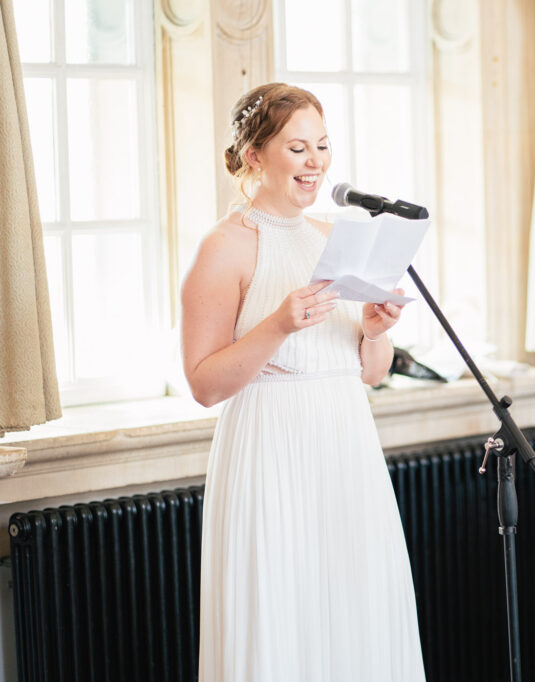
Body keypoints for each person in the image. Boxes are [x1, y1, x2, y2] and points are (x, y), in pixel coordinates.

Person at [181, 83, 425, 681]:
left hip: (346, 447)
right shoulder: (224, 247)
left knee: (355, 611)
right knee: (280, 618)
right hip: (271, 450)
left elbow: (370, 372)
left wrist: (372, 329)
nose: (316, 162)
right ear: (255, 156)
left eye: (322, 145)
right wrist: (278, 324)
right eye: (298, 147)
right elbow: (204, 383)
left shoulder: (333, 239)